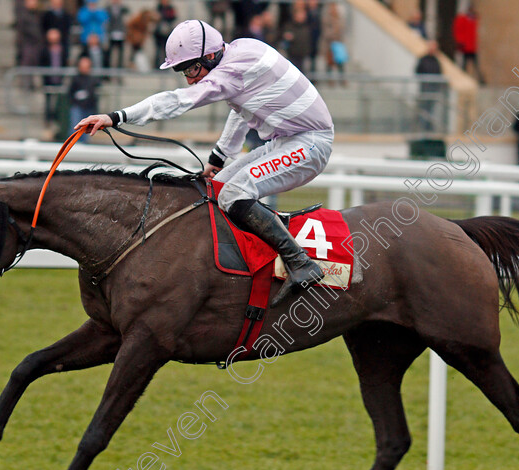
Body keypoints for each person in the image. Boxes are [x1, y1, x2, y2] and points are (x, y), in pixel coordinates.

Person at [75, 20, 334, 306]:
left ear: (210, 56)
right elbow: (241, 109)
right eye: (183, 71)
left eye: (191, 69)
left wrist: (116, 116)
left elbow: (177, 102)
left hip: (310, 143)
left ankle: (300, 263)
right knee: (217, 187)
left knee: (234, 194)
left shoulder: (233, 69)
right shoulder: (240, 51)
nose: (189, 79)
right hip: (286, 140)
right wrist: (218, 159)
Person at [39, 27, 67, 123]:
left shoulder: (62, 49)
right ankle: (48, 119)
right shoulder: (44, 49)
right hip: (48, 79)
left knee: (59, 101)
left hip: (59, 78)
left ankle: (57, 119)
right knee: (48, 101)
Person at [68, 55, 99, 143]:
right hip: (77, 106)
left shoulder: (92, 79)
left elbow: (94, 94)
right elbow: (70, 93)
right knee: (75, 127)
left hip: (88, 107)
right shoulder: (75, 79)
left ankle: (84, 145)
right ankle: (73, 144)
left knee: (86, 131)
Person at [415, 40, 443, 132]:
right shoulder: (423, 59)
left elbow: (439, 73)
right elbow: (417, 71)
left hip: (433, 89)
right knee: (424, 109)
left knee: (431, 110)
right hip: (425, 89)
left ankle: (429, 128)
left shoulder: (436, 60)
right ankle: (422, 128)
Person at [452, 5, 484, 84]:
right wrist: (460, 42)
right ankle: (463, 78)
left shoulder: (473, 19)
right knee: (464, 64)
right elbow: (458, 30)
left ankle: (480, 80)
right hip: (465, 47)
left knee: (475, 65)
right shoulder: (463, 19)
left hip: (472, 47)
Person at [105, 0, 129, 70]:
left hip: (121, 33)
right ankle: (108, 71)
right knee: (109, 54)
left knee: (121, 55)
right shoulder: (107, 9)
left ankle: (120, 69)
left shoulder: (123, 9)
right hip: (111, 33)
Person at [153, 0, 177, 68]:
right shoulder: (158, 8)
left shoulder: (170, 8)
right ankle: (157, 66)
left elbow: (173, 17)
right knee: (158, 51)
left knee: (166, 51)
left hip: (167, 33)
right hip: (158, 33)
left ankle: (167, 65)